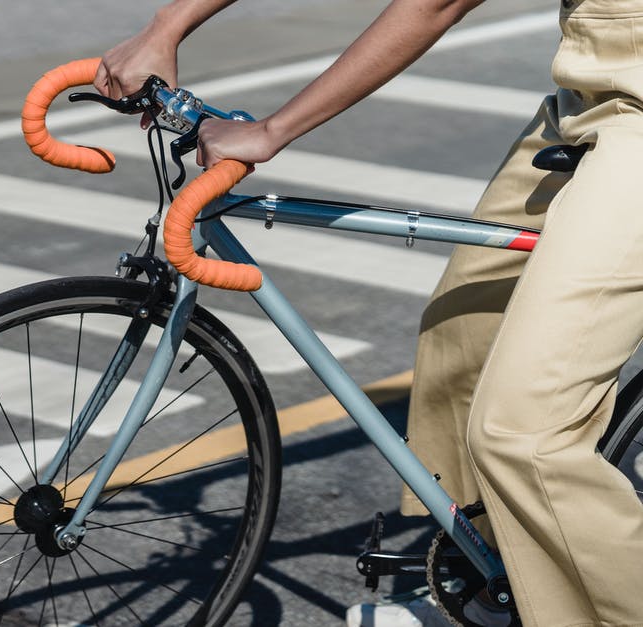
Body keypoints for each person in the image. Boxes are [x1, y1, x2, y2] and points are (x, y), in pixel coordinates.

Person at [97, 0, 643, 625]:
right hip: (592, 89)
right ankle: (497, 582)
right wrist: (167, 26)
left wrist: (274, 129)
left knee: (524, 436)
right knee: (462, 334)